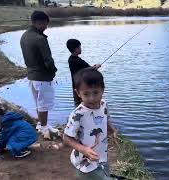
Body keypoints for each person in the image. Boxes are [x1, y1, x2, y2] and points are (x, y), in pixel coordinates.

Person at [63, 68, 117, 180]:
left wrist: (112, 129)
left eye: (96, 93)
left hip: (102, 156)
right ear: (78, 93)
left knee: (105, 172)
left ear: (103, 90)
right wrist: (83, 149)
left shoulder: (104, 104)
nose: (92, 98)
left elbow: (105, 119)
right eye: (86, 94)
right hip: (84, 162)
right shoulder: (78, 114)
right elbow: (67, 138)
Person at [20, 11, 58, 139]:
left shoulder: (24, 36)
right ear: (39, 22)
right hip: (42, 77)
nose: (46, 27)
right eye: (45, 24)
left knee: (38, 102)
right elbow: (48, 60)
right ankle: (45, 128)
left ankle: (41, 125)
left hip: (31, 76)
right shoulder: (40, 39)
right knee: (44, 104)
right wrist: (53, 71)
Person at [67, 39, 101, 107]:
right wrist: (96, 67)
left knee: (78, 106)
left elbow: (86, 68)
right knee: (83, 106)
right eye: (79, 47)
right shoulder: (77, 60)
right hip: (81, 87)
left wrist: (92, 67)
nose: (80, 49)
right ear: (75, 49)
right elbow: (89, 69)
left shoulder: (71, 59)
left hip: (76, 86)